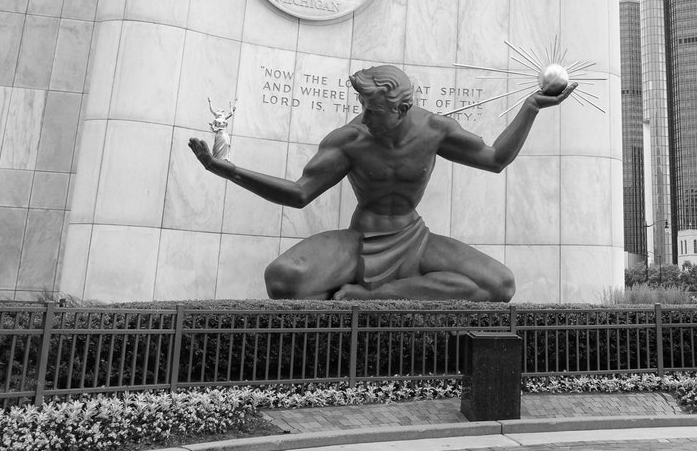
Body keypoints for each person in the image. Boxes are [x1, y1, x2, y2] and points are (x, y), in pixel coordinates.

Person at [187, 65, 575, 301]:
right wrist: (230, 171)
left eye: (373, 110)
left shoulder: (433, 130)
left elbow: (495, 160)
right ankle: (372, 288)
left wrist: (530, 108)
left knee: (500, 285)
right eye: (363, 108)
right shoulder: (350, 139)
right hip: (360, 241)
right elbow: (300, 193)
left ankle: (377, 293)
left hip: (415, 240)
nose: (365, 116)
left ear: (402, 109)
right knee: (283, 279)